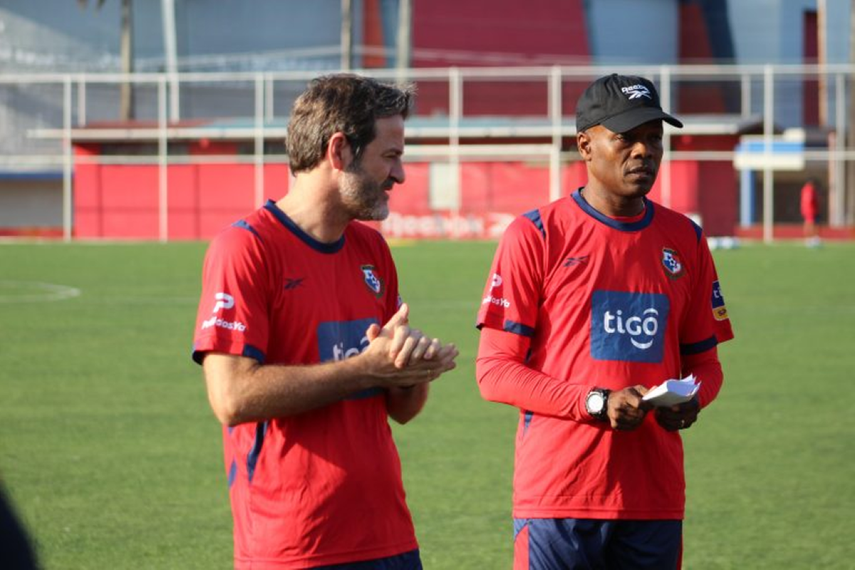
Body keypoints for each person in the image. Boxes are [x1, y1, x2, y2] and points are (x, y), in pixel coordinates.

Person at [192, 74, 458, 569]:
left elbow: (402, 410)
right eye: (391, 156)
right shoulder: (246, 249)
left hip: (390, 539)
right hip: (296, 548)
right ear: (340, 151)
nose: (399, 176)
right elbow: (231, 398)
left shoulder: (371, 249)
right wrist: (366, 368)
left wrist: (411, 369)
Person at [475, 74, 734, 569]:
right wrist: (596, 402)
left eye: (654, 139)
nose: (643, 151)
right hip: (559, 498)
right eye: (626, 137)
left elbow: (707, 363)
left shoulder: (687, 240)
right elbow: (493, 371)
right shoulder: (535, 235)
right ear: (585, 145)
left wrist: (693, 397)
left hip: (653, 499)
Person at [800, 178, 820, 247]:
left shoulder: (806, 189)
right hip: (810, 210)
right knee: (810, 224)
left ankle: (811, 239)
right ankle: (810, 239)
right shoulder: (808, 189)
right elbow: (808, 199)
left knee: (810, 223)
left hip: (809, 209)